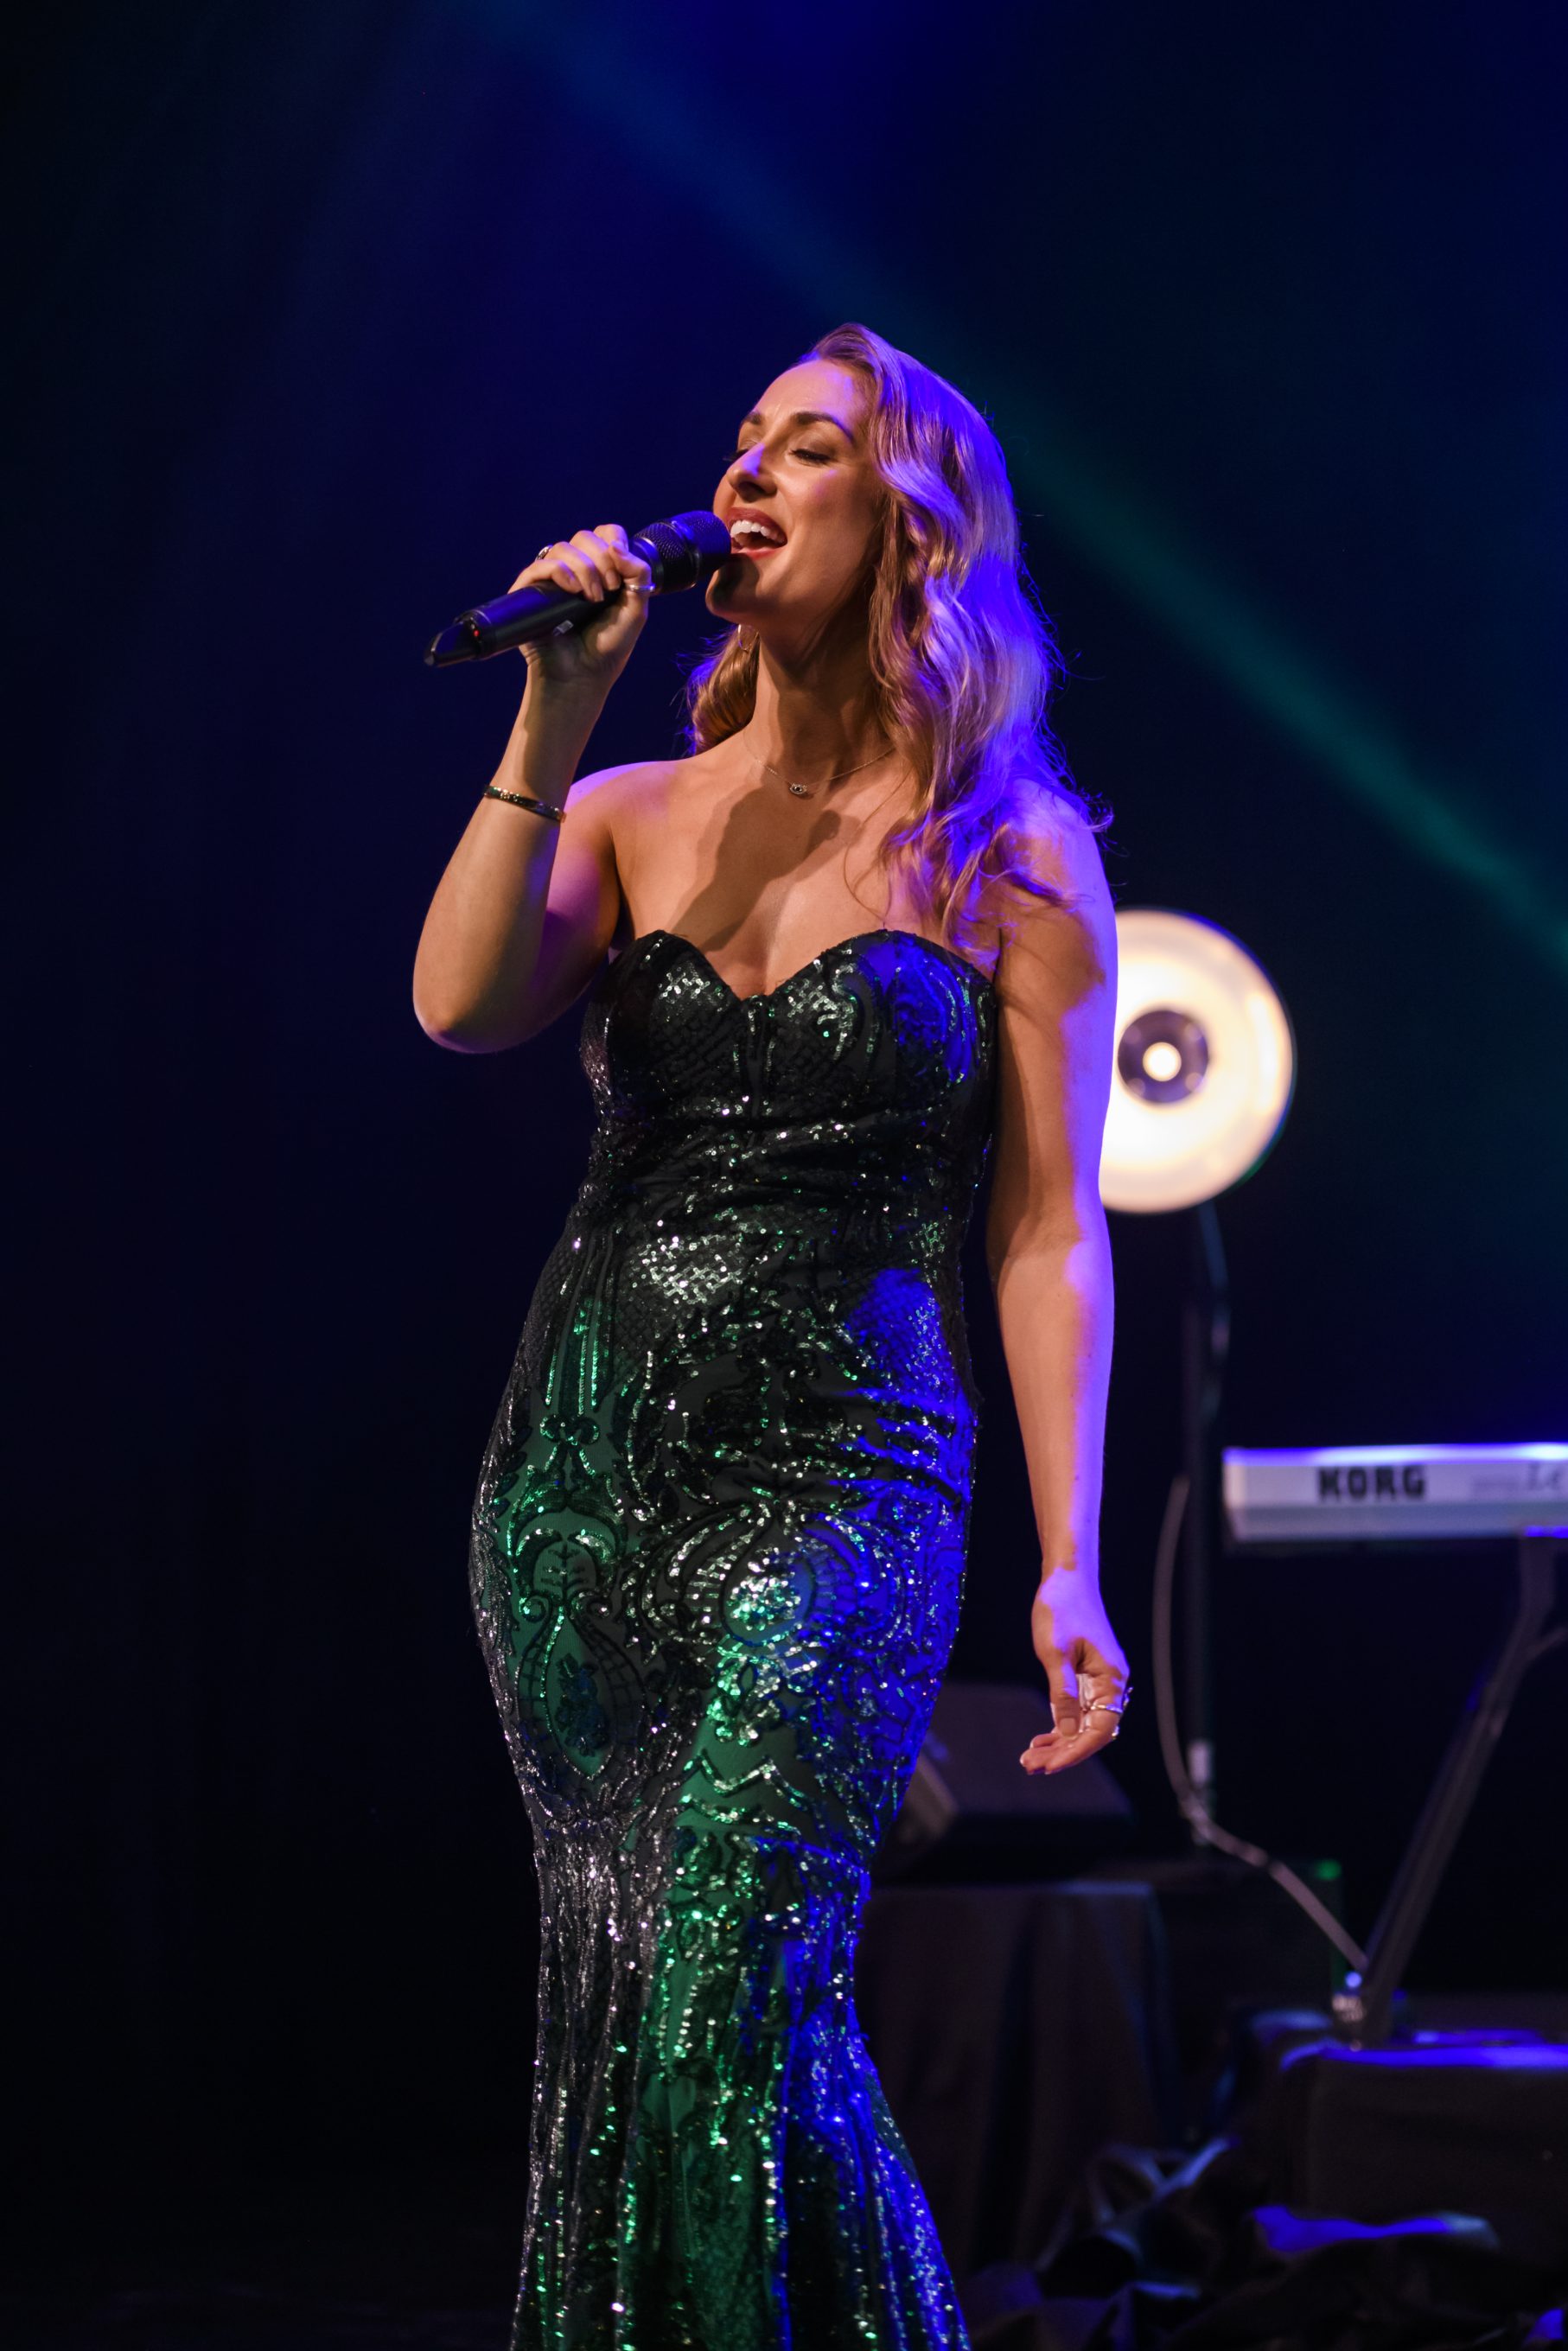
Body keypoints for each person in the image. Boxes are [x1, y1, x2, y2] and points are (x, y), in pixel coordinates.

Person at [413, 322, 1129, 2350]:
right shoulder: (636, 807)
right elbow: (458, 1003)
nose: (740, 475)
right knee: (633, 1997)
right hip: (583, 1484)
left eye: (802, 447)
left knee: (738, 1990)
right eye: (737, 440)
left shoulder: (1011, 850)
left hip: (844, 1477)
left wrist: (1069, 1556)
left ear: (910, 524)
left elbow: (1049, 1230)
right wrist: (555, 707)